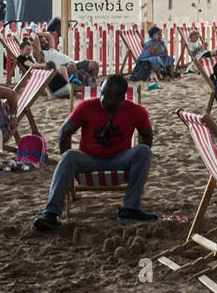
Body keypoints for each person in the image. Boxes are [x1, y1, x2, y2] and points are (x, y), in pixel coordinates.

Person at [32, 74, 155, 232]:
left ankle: (129, 209)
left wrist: (137, 166)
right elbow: (65, 131)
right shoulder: (86, 107)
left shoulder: (136, 111)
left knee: (143, 151)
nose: (103, 99)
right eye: (102, 93)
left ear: (121, 98)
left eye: (109, 96)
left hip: (119, 159)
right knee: (69, 157)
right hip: (89, 159)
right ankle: (50, 214)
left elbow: (147, 135)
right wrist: (67, 162)